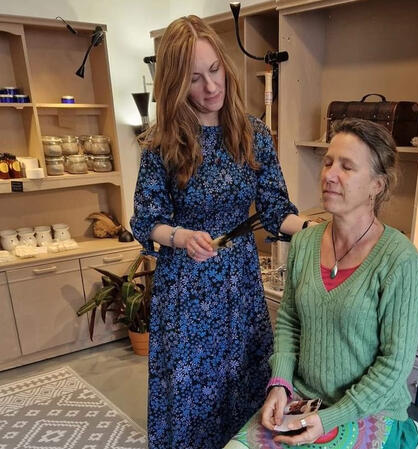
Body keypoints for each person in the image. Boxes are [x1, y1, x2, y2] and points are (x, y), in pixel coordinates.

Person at [130, 15, 310, 449]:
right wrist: (180, 236)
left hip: (239, 285)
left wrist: (316, 229)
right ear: (176, 85)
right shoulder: (162, 141)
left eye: (214, 71)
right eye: (194, 79)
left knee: (244, 385)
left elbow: (274, 210)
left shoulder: (252, 132)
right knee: (191, 397)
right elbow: (146, 219)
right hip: (186, 288)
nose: (211, 87)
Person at [225, 118, 418, 449]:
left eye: (347, 167)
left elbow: (393, 366)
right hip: (306, 399)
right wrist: (280, 384)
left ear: (377, 185)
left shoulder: (399, 259)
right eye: (328, 162)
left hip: (370, 410)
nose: (329, 175)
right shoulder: (305, 242)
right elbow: (289, 322)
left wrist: (330, 418)